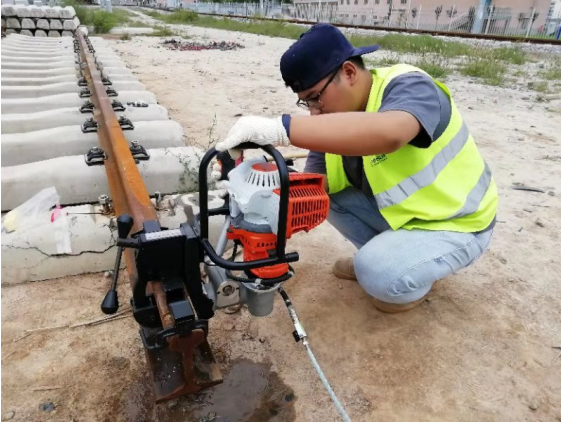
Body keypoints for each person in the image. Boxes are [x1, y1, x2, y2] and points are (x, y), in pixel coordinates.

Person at [215, 23, 498, 313]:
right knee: (320, 196)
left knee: (379, 275)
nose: (313, 112)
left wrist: (281, 128)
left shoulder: (409, 85)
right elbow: (313, 186)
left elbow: (392, 133)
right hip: (409, 215)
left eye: (315, 97)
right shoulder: (336, 119)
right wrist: (257, 194)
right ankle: (391, 257)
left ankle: (399, 272)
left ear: (349, 72)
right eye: (305, 102)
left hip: (459, 222)